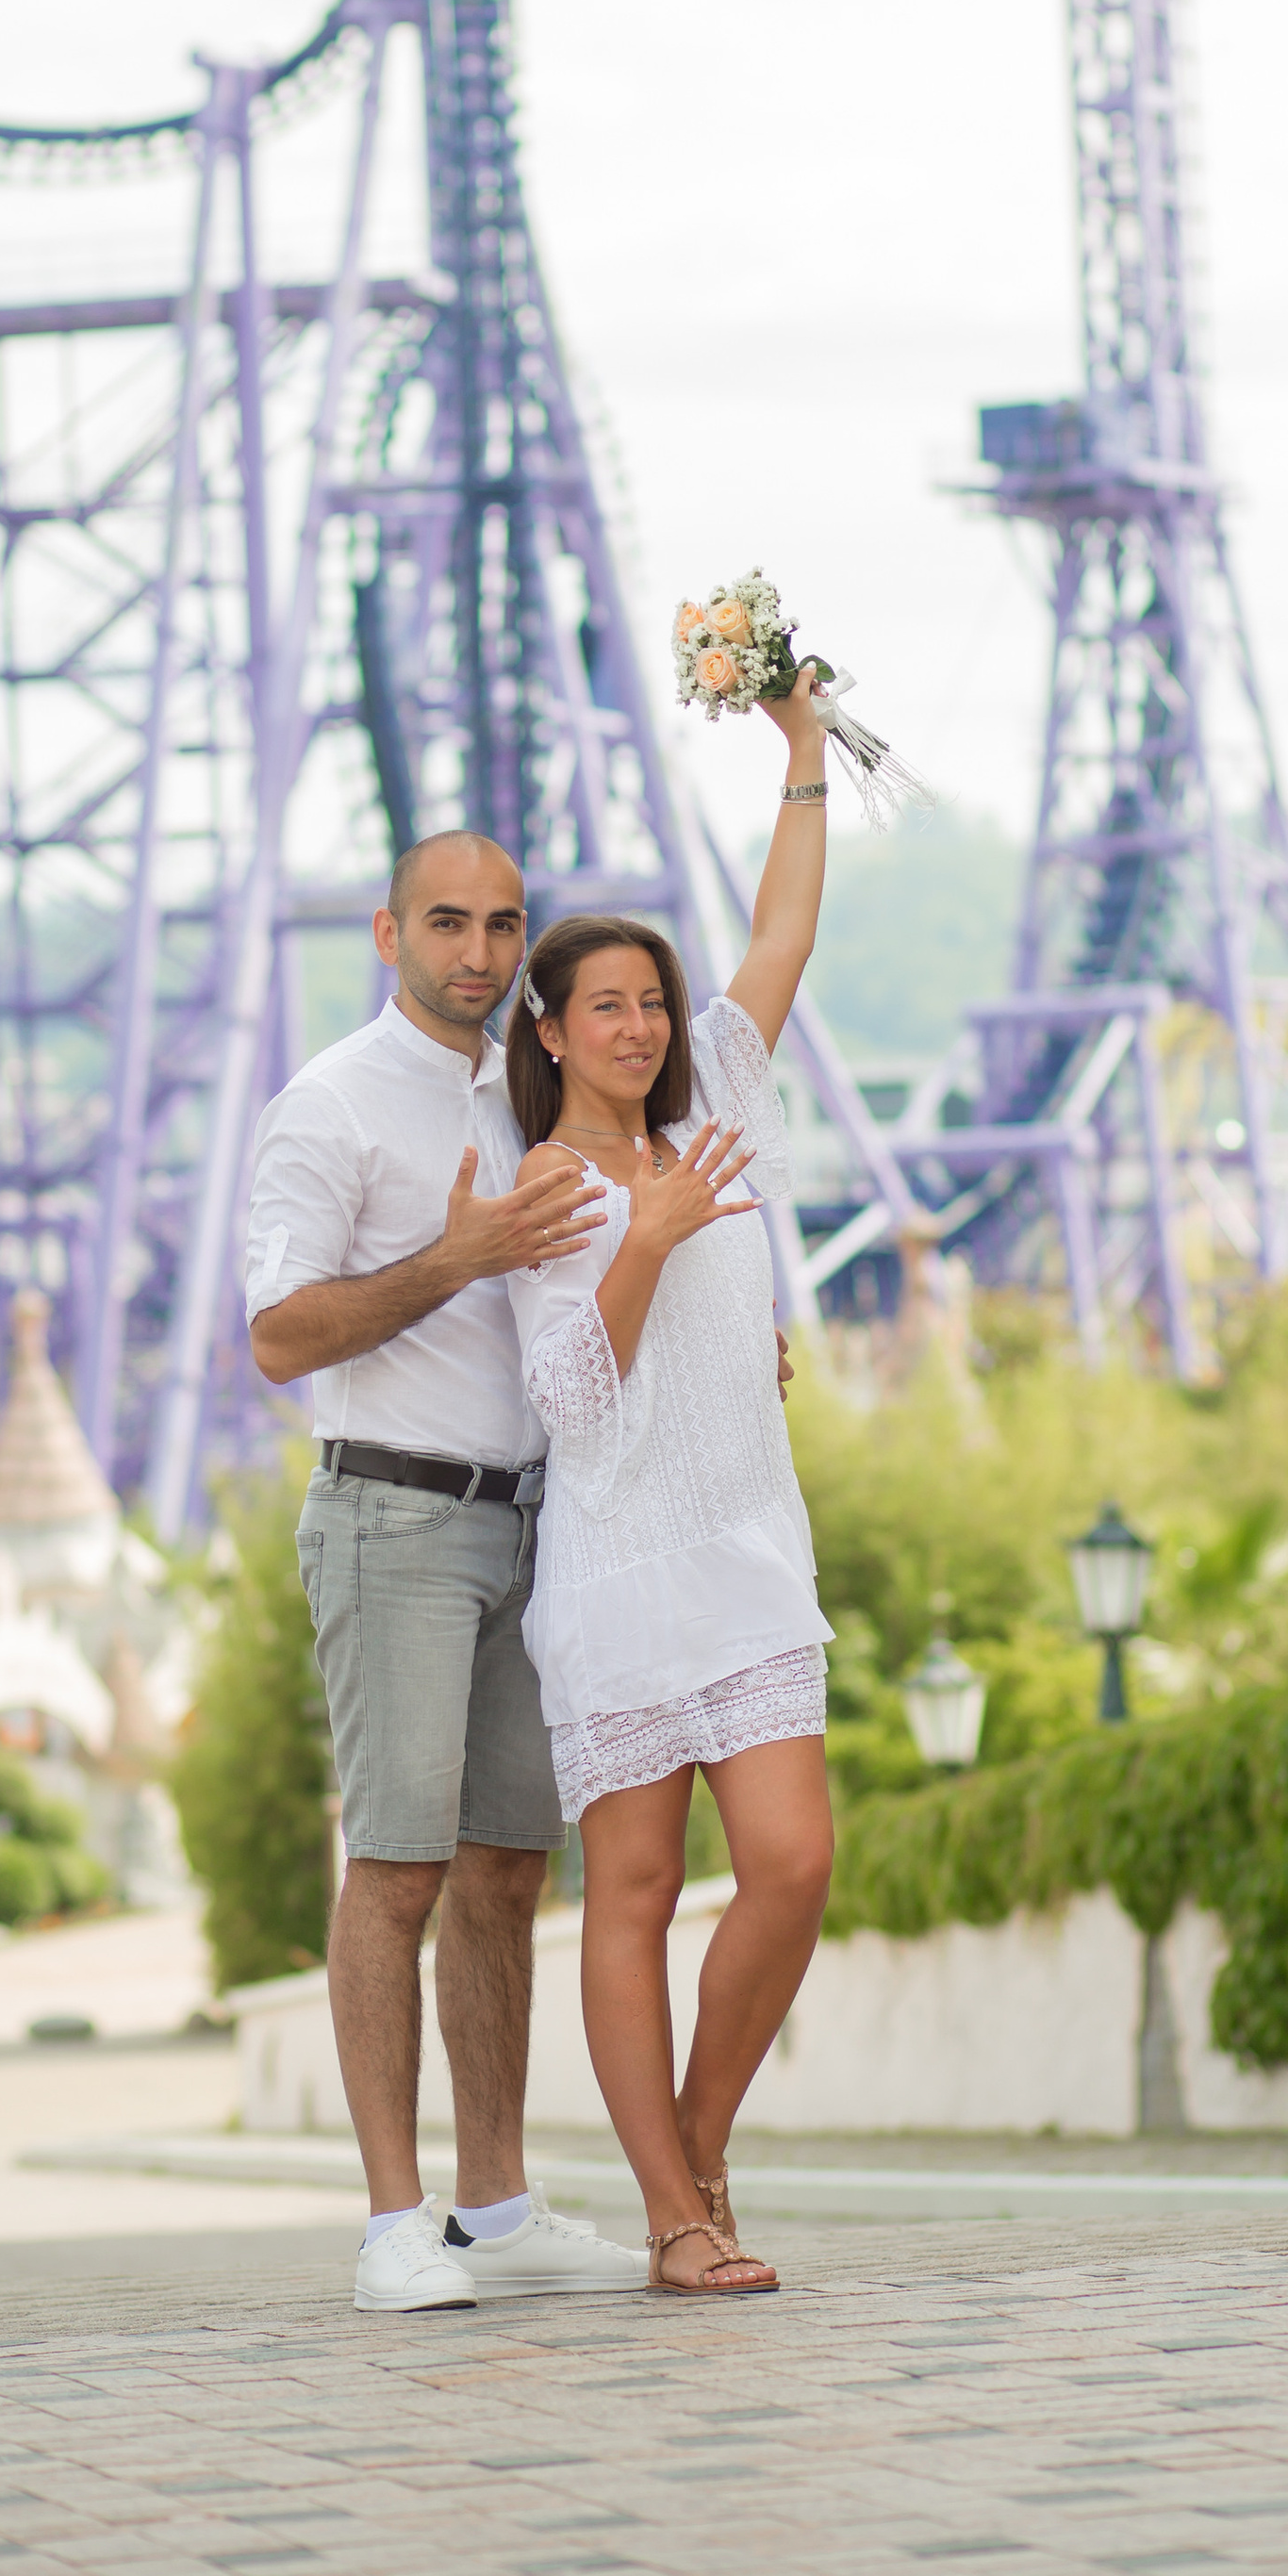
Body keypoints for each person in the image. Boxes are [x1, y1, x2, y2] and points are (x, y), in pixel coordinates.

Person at [244, 831, 647, 2315]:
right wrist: (457, 1253)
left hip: (540, 1524)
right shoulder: (330, 1105)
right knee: (399, 1867)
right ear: (388, 932)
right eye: (447, 924)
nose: (478, 953)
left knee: (503, 1871)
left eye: (503, 926)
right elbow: (279, 1337)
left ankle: (497, 2206)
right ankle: (389, 2224)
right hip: (394, 1524)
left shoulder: (531, 1085)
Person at [495, 668, 835, 2295]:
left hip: (748, 1551)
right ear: (551, 1033)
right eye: (604, 1008)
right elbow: (568, 1401)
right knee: (628, 1892)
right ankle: (674, 2215)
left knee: (794, 1865)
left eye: (652, 1003)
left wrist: (805, 752)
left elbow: (780, 937)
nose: (638, 1028)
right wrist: (643, 1243)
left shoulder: (726, 1115)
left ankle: (701, 2139)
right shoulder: (542, 1195)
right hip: (622, 1568)